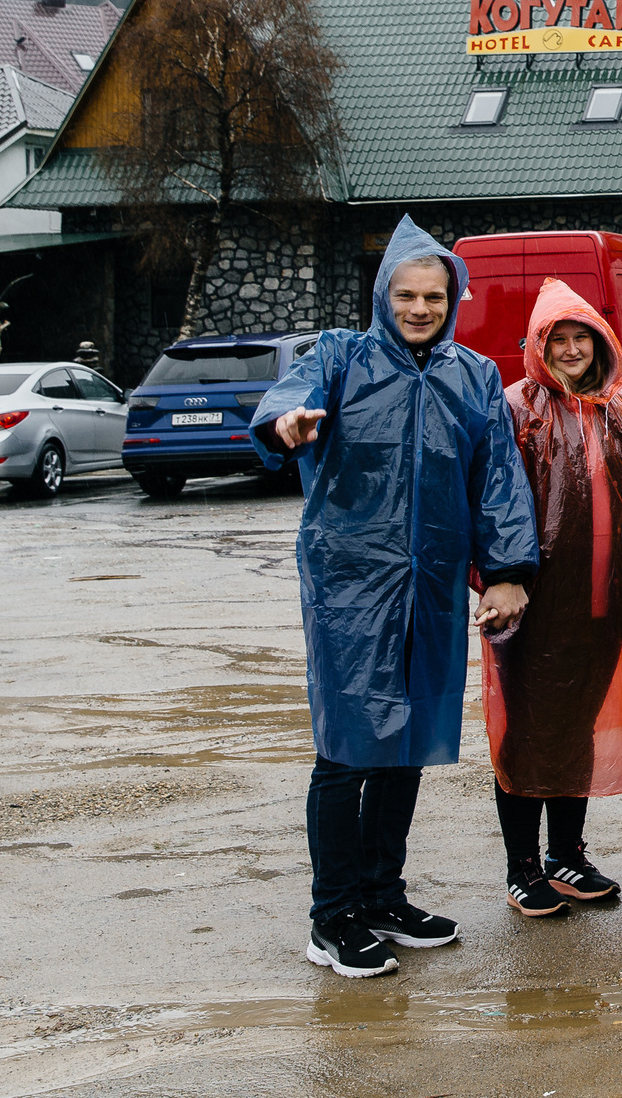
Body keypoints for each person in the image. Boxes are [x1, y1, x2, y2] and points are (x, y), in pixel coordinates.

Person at [250, 215, 537, 980]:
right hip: (349, 582)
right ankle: (332, 915)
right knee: (347, 747)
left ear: (452, 298)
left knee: (405, 741)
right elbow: (287, 398)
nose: (419, 307)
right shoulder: (340, 355)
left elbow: (497, 477)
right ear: (385, 294)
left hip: (430, 580)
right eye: (406, 294)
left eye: (433, 296)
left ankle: (381, 893)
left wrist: (507, 570)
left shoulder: (473, 376)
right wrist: (286, 424)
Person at [490, 279, 622, 919]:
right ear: (539, 345)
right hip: (536, 605)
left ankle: (565, 855)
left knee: (578, 725)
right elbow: (493, 498)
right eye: (560, 338)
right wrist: (498, 578)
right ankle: (522, 866)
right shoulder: (516, 407)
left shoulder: (619, 409)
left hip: (602, 603)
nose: (573, 349)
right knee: (528, 731)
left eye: (584, 336)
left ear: (602, 343)